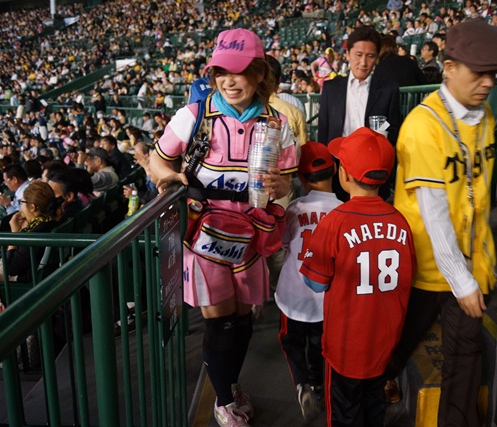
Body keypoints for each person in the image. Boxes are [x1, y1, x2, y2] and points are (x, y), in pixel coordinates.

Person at [149, 28, 298, 427]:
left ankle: (229, 387)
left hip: (251, 235)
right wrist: (170, 176)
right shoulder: (193, 116)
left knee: (243, 317)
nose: (229, 81)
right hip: (205, 235)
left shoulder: (277, 122)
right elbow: (157, 160)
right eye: (221, 73)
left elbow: (286, 179)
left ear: (258, 73)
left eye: (239, 71)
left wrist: (282, 185)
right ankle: (223, 400)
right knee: (218, 319)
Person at [389, 19, 497, 426]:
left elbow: (477, 195)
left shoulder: (486, 115)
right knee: (397, 345)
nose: (488, 82)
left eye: (493, 73)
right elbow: (434, 214)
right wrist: (462, 281)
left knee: (465, 357)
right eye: (479, 72)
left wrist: (476, 269)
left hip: (472, 260)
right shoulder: (423, 125)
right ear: (449, 67)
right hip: (427, 265)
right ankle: (372, 392)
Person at [300, 127, 415, 427]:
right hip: (385, 343)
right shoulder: (400, 222)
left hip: (345, 346)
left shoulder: (335, 221)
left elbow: (316, 281)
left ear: (344, 175)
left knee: (344, 414)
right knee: (374, 407)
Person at [275, 142, 342, 421]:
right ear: (335, 170)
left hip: (293, 294)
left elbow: (284, 243)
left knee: (291, 342)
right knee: (319, 344)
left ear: (301, 179)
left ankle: (302, 383)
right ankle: (317, 383)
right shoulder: (343, 211)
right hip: (326, 297)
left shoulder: (294, 208)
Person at [317, 26, 401, 202]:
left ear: (376, 58)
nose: (363, 62)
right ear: (347, 54)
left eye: (370, 56)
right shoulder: (331, 88)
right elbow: (324, 132)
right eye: (358, 54)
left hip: (373, 172)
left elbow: (394, 131)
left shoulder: (388, 90)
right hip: (338, 169)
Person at [0, 181, 63, 283]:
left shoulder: (36, 233)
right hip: (43, 278)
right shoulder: (50, 223)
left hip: (25, 285)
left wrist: (14, 235)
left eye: (22, 202)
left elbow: (10, 269)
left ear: (32, 207)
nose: (21, 208)